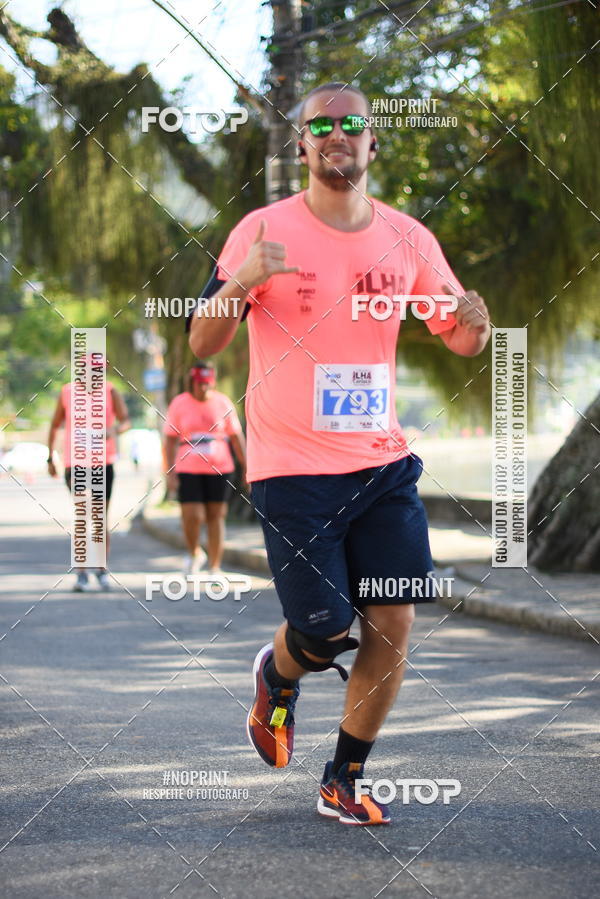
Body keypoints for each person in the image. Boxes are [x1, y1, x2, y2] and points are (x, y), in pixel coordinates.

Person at [189, 82, 491, 825]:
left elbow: (456, 331)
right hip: (292, 468)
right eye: (319, 125)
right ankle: (278, 672)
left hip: (382, 464)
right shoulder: (261, 230)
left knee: (393, 620)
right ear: (302, 146)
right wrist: (245, 280)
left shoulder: (410, 238)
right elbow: (201, 339)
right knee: (324, 630)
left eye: (351, 123)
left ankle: (343, 778)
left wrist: (475, 327)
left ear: (372, 142)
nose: (336, 134)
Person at [48, 355, 131, 591]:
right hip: (75, 463)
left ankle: (102, 569)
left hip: (103, 462)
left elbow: (126, 421)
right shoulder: (67, 392)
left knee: (99, 517)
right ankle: (82, 572)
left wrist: (112, 430)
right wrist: (50, 456)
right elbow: (55, 425)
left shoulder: (110, 390)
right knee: (83, 512)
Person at [163, 361, 246, 575]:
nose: (203, 388)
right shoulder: (179, 403)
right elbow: (170, 440)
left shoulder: (222, 403)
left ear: (213, 382)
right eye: (199, 383)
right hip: (188, 467)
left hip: (219, 467)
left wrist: (247, 467)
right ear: (192, 382)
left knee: (216, 515)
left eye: (207, 383)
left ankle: (215, 566)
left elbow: (236, 438)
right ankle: (194, 553)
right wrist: (169, 471)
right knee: (193, 514)